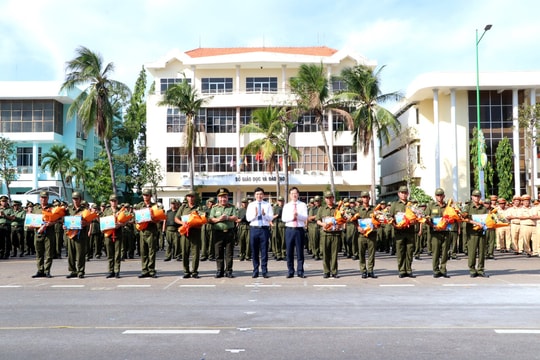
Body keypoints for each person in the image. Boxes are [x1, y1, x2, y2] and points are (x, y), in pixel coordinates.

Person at [208, 188, 238, 278]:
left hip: (229, 232)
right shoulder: (214, 208)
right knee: (218, 253)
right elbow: (210, 219)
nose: (223, 199)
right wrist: (219, 219)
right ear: (218, 198)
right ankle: (219, 270)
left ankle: (228, 271)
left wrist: (227, 218)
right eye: (221, 197)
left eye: (224, 197)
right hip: (218, 233)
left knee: (229, 253)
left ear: (227, 197)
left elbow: (235, 217)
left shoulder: (231, 207)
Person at [175, 191, 204, 278]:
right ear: (186, 198)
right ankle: (186, 271)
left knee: (195, 253)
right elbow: (176, 218)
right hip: (185, 233)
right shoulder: (183, 208)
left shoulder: (199, 208)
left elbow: (203, 219)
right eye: (189, 196)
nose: (190, 198)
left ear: (195, 198)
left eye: (192, 196)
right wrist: (182, 223)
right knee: (184, 253)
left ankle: (194, 271)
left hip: (195, 233)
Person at [246, 187, 273, 278]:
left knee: (264, 251)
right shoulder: (251, 205)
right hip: (254, 228)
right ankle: (255, 270)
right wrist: (255, 214)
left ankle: (264, 271)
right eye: (257, 194)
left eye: (261, 194)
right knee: (254, 251)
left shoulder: (267, 205)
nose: (259, 196)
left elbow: (271, 218)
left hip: (264, 229)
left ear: (263, 195)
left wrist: (265, 215)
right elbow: (248, 218)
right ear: (254, 195)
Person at [389, 186, 416, 278]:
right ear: (398, 194)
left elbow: (417, 217)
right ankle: (401, 270)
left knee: (409, 251)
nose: (404, 194)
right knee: (400, 251)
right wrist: (394, 225)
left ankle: (408, 270)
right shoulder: (394, 205)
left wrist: (414, 221)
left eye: (405, 193)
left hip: (410, 231)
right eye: (402, 193)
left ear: (408, 194)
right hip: (399, 232)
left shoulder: (411, 205)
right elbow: (390, 218)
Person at [281, 187, 308, 278]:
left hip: (299, 229)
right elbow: (284, 218)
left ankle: (300, 271)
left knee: (300, 251)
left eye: (295, 193)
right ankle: (290, 271)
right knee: (289, 251)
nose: (294, 195)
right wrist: (292, 217)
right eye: (292, 193)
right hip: (290, 229)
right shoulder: (287, 206)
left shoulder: (303, 205)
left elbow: (305, 217)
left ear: (298, 194)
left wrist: (298, 215)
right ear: (289, 195)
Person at [32, 191, 59, 278]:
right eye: (42, 197)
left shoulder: (53, 208)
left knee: (48, 253)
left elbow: (59, 219)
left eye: (45, 197)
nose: (43, 199)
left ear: (48, 198)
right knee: (39, 253)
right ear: (40, 198)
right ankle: (40, 270)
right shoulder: (36, 208)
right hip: (38, 232)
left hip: (49, 233)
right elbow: (32, 219)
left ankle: (47, 271)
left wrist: (52, 223)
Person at [425, 188, 451, 278]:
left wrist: (449, 221)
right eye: (437, 195)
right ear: (435, 196)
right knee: (435, 252)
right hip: (435, 233)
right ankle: (436, 270)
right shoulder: (431, 206)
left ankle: (443, 269)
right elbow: (425, 218)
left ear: (444, 196)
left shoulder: (448, 206)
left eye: (441, 195)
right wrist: (432, 225)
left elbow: (453, 218)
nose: (439, 197)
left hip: (446, 232)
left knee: (445, 252)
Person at [135, 188, 160, 278]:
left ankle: (151, 270)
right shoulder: (139, 206)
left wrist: (152, 219)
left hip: (151, 231)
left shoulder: (155, 206)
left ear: (150, 196)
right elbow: (136, 218)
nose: (145, 197)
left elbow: (158, 220)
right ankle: (144, 270)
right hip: (142, 231)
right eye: (144, 195)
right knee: (143, 251)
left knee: (151, 252)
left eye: (147, 195)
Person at [316, 191, 341, 278]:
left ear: (333, 198)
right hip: (325, 234)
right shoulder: (321, 209)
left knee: (334, 254)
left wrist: (339, 225)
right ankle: (326, 271)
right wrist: (323, 224)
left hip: (335, 234)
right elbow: (318, 220)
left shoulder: (338, 208)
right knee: (325, 254)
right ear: (325, 199)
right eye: (327, 198)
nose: (329, 199)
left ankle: (334, 271)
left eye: (330, 197)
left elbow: (343, 220)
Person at [64, 192, 89, 279]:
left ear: (80, 199)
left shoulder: (84, 210)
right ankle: (73, 270)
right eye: (74, 199)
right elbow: (64, 219)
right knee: (71, 254)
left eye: (77, 199)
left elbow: (89, 221)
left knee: (80, 254)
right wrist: (64, 225)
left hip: (80, 234)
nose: (75, 201)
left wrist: (85, 223)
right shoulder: (69, 209)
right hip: (70, 234)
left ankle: (80, 271)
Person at [465, 189, 489, 277]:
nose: (477, 198)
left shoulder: (484, 208)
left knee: (482, 251)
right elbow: (464, 218)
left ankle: (481, 269)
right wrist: (475, 223)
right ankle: (472, 269)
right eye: (475, 196)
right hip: (472, 233)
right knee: (472, 251)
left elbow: (488, 219)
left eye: (478, 196)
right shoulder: (468, 207)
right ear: (472, 197)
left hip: (481, 232)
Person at [356, 191, 378, 278]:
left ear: (369, 198)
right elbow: (353, 220)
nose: (365, 198)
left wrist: (376, 225)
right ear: (361, 199)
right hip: (361, 235)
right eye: (363, 197)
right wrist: (358, 227)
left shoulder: (374, 209)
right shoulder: (358, 209)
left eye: (366, 197)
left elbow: (379, 220)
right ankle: (363, 271)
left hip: (372, 234)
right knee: (361, 254)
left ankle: (370, 270)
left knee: (371, 254)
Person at [102, 194, 124, 278]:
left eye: (115, 201)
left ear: (117, 201)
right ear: (109, 202)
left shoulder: (121, 210)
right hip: (108, 234)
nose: (113, 202)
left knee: (117, 253)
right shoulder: (106, 211)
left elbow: (126, 220)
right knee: (110, 253)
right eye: (112, 201)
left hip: (118, 233)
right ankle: (111, 271)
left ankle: (117, 270)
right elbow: (103, 221)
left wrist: (120, 224)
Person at [271, 196, 285, 261]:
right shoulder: (275, 208)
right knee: (276, 239)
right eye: (279, 201)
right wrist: (276, 216)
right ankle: (278, 254)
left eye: (282, 201)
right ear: (277, 201)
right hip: (276, 223)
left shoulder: (286, 208)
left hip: (283, 224)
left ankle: (283, 254)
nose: (280, 202)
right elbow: (271, 216)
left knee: (283, 239)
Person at [308, 196, 322, 260]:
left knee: (322, 241)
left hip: (322, 225)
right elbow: (309, 218)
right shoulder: (313, 209)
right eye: (316, 201)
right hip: (315, 226)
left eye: (318, 201)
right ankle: (316, 253)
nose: (317, 202)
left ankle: (321, 253)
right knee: (315, 240)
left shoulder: (323, 208)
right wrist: (317, 216)